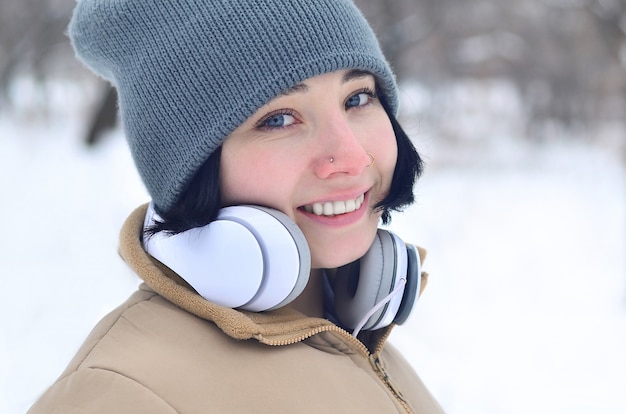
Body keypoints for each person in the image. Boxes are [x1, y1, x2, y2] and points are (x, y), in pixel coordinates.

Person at [28, 0, 445, 413]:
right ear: (191, 167)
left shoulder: (353, 336)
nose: (353, 157)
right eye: (279, 119)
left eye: (357, 99)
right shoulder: (122, 394)